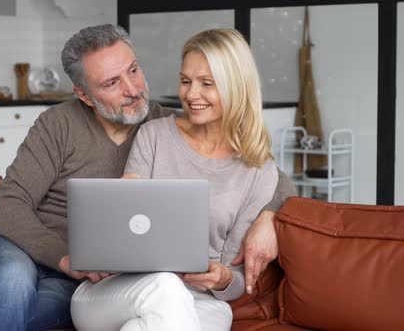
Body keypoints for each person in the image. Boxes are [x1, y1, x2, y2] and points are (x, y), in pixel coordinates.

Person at [0, 24, 294, 331]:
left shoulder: (165, 121)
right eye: (112, 82)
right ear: (84, 94)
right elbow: (7, 206)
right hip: (22, 250)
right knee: (13, 282)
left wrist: (270, 213)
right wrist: (66, 257)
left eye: (134, 70)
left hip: (84, 277)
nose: (133, 89)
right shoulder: (61, 124)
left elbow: (257, 169)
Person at [70, 28, 276, 331]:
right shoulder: (154, 135)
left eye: (207, 83)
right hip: (116, 293)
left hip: (200, 301)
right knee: (164, 287)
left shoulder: (259, 172)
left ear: (237, 86)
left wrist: (223, 278)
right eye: (185, 81)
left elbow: (237, 282)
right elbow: (125, 229)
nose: (191, 94)